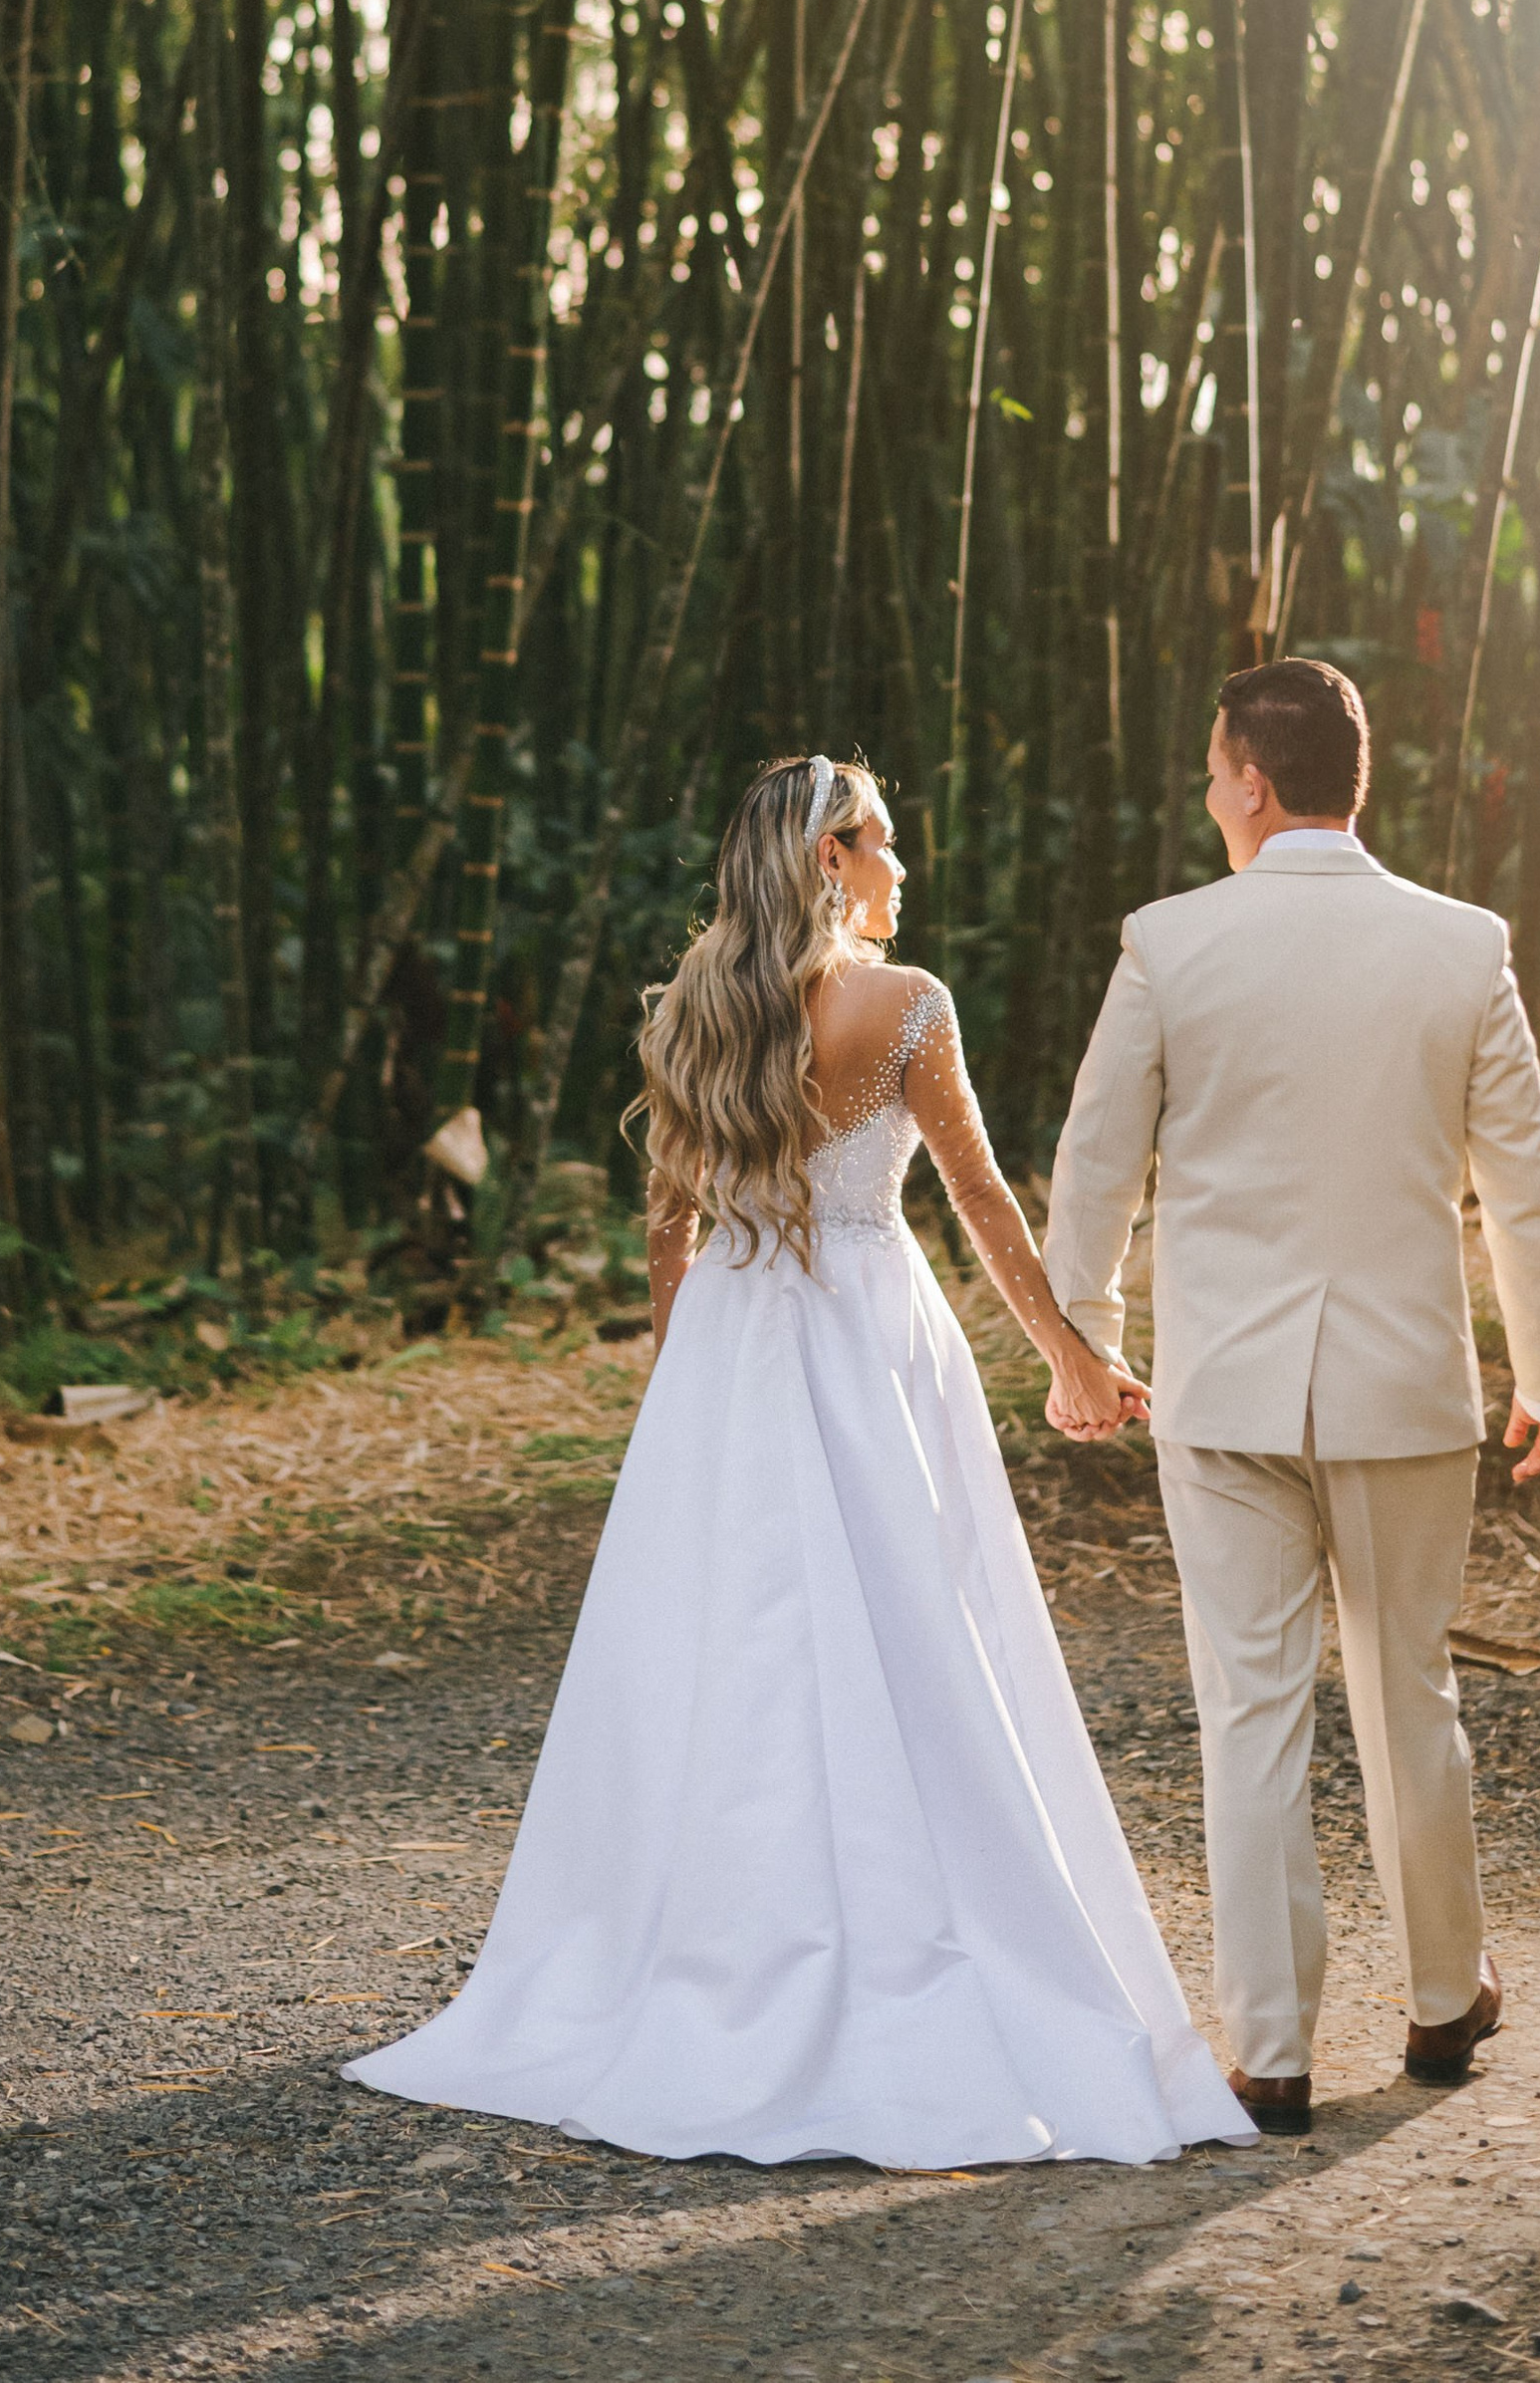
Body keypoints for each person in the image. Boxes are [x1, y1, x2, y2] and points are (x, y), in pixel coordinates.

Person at [345, 750, 1252, 2168]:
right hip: (870, 1335)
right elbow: (979, 1198)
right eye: (882, 841)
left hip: (734, 1336)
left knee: (729, 1650)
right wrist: (1070, 1354)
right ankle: (907, 1928)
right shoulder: (908, 1007)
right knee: (910, 1633)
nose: (904, 866)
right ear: (828, 858)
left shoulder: (698, 1001)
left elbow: (669, 1216)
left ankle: (702, 1950)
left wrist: (676, 1360)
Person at [1043, 657, 1540, 2137]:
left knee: (1251, 1714)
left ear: (1254, 782)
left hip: (1220, 1395)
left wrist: (1079, 1340)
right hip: (1406, 1389)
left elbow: (1097, 1161)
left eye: (1213, 773)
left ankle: (1267, 2053)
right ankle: (1439, 2003)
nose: (1207, 795)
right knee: (1411, 1691)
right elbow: (1524, 1188)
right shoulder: (1462, 946)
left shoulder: (1170, 943)